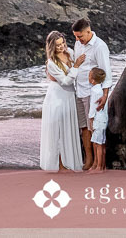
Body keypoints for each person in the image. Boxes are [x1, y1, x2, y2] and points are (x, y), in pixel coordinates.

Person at [39, 30, 86, 172]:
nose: (61, 47)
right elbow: (65, 81)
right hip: (57, 99)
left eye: (63, 43)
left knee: (69, 130)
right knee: (58, 132)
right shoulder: (51, 63)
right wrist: (76, 66)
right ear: (52, 46)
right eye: (58, 45)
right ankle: (59, 164)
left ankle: (69, 162)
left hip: (70, 97)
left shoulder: (70, 53)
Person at [71, 17, 111, 171]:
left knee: (92, 127)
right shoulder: (77, 44)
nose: (77, 39)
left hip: (92, 93)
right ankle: (88, 159)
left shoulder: (100, 46)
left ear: (88, 31)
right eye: (75, 36)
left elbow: (106, 72)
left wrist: (105, 95)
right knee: (84, 128)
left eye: (80, 36)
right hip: (79, 91)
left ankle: (98, 163)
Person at [86, 67, 109, 173]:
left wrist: (90, 119)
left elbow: (92, 107)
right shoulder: (101, 90)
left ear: (92, 80)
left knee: (97, 143)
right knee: (102, 143)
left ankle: (99, 167)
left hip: (98, 120)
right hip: (103, 119)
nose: (88, 76)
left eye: (89, 75)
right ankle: (103, 165)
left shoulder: (94, 90)